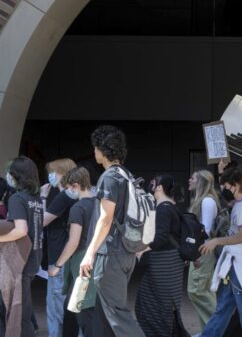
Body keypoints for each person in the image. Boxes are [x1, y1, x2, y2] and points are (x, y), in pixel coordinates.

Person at [78, 125, 146, 337]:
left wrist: (89, 253)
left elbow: (106, 219)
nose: (94, 152)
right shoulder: (127, 176)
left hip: (110, 254)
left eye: (95, 147)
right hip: (126, 252)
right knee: (104, 314)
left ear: (102, 149)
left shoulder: (109, 177)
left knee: (117, 316)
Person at [198, 164, 242, 337]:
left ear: (235, 185)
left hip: (241, 264)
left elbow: (241, 237)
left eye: (226, 186)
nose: (224, 189)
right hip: (237, 263)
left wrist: (216, 241)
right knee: (224, 309)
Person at [0, 156, 45, 337]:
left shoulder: (17, 198)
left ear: (17, 176)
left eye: (10, 173)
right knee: (10, 312)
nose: (7, 176)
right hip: (32, 258)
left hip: (18, 262)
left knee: (14, 314)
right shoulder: (36, 199)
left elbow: (21, 230)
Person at [134, 174, 187, 336]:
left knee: (149, 305)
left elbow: (161, 237)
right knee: (165, 306)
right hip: (170, 262)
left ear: (160, 187)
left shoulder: (163, 209)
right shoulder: (171, 207)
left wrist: (143, 249)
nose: (151, 184)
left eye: (154, 183)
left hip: (163, 263)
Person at [52, 167, 99, 337]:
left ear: (76, 185)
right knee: (72, 308)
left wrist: (58, 265)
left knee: (83, 311)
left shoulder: (78, 209)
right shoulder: (100, 204)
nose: (67, 192)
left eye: (68, 188)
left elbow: (73, 242)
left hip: (82, 264)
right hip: (98, 260)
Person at [43, 158, 78, 337]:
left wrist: (41, 197)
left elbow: (41, 221)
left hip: (59, 258)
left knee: (56, 308)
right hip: (71, 258)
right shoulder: (76, 195)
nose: (50, 176)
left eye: (53, 172)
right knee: (71, 306)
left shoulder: (64, 197)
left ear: (64, 174)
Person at [187, 169, 219, 327]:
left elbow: (205, 231)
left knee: (197, 291)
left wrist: (194, 253)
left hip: (203, 251)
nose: (189, 180)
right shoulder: (204, 201)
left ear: (200, 182)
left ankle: (218, 326)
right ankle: (209, 330)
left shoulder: (207, 201)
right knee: (204, 291)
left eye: (192, 178)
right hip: (202, 250)